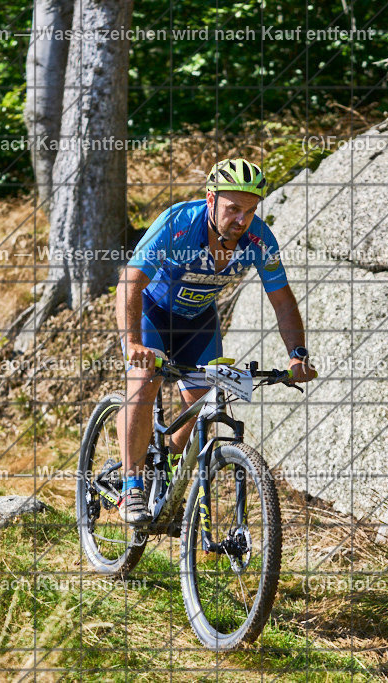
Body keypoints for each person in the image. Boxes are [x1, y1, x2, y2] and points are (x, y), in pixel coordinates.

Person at [115, 158, 317, 524]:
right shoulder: (179, 224)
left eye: (250, 210)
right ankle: (131, 484)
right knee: (143, 383)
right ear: (211, 199)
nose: (242, 220)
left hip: (198, 323)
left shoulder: (259, 239)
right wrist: (131, 343)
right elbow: (129, 282)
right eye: (233, 209)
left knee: (204, 403)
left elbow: (282, 300)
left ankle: (168, 476)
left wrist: (297, 355)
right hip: (153, 313)